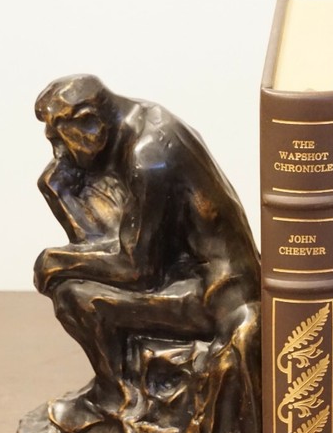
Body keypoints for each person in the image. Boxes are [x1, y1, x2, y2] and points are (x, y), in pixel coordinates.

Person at [33, 74, 260, 413]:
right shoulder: (138, 121)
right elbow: (116, 240)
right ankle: (118, 394)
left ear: (89, 124)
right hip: (188, 277)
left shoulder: (149, 158)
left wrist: (55, 260)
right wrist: (60, 194)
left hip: (216, 296)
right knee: (56, 196)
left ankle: (116, 400)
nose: (58, 153)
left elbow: (138, 270)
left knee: (75, 297)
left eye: (61, 141)